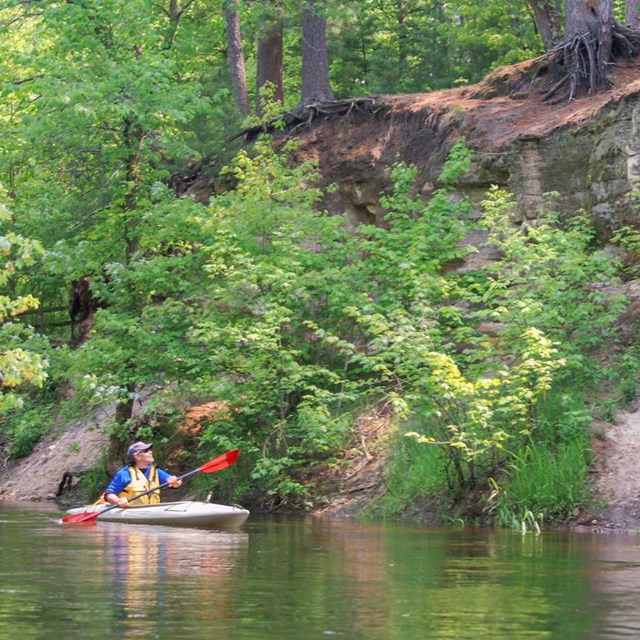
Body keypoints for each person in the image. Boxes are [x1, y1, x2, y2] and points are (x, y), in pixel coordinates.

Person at [104, 441, 183, 507]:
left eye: (149, 450)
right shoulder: (124, 474)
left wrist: (175, 481)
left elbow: (177, 484)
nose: (150, 452)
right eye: (146, 451)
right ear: (137, 456)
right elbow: (109, 494)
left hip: (152, 510)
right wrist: (118, 501)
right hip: (131, 510)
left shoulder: (156, 472)